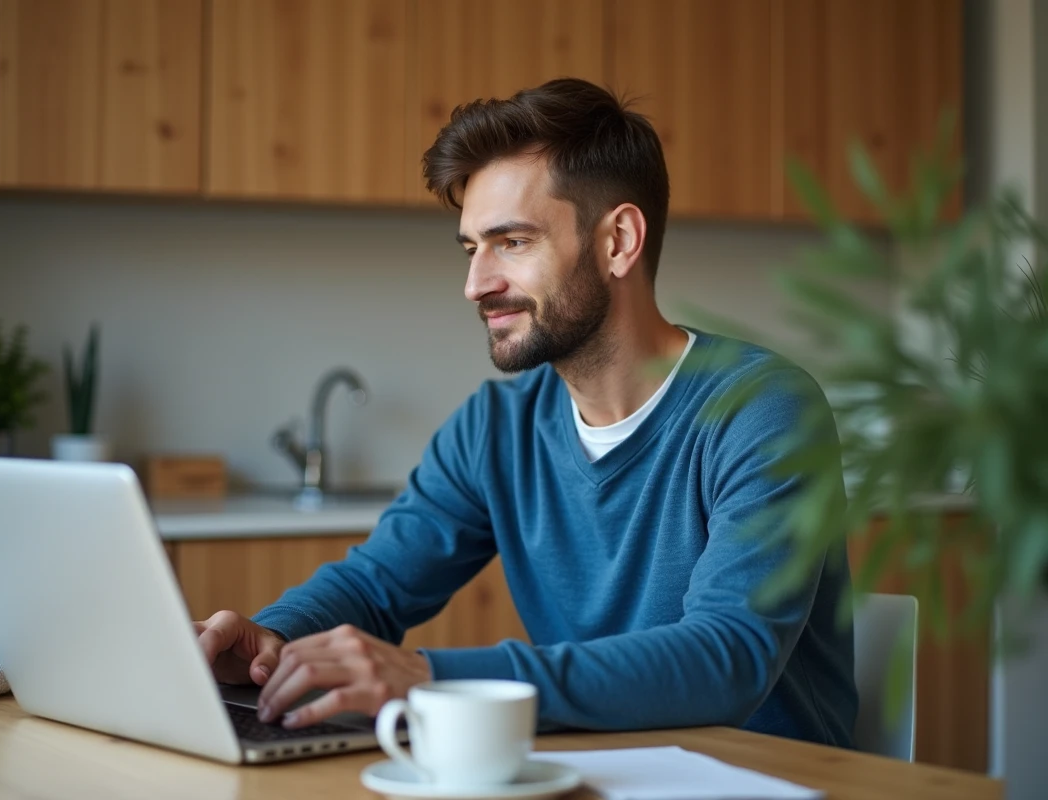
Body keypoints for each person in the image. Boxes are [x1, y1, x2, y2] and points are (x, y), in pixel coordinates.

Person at [194, 78, 858, 747]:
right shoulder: (495, 428)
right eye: (471, 247)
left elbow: (727, 658)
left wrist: (427, 677)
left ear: (619, 241)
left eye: (511, 241)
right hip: (593, 774)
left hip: (763, 779)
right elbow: (375, 585)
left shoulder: (763, 410)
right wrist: (269, 640)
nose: (476, 283)